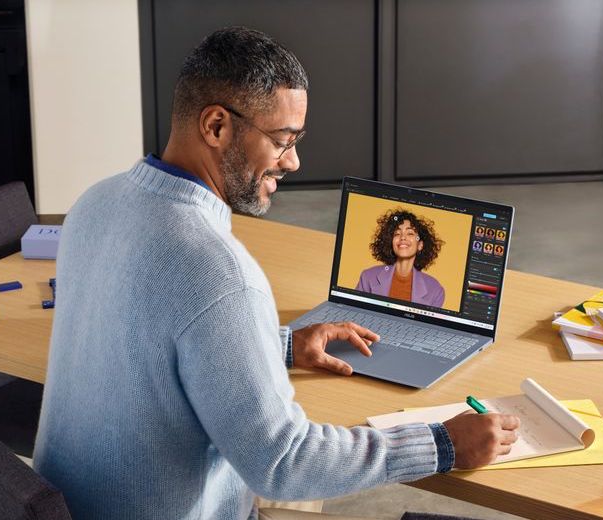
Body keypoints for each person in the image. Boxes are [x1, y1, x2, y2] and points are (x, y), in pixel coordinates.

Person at [33, 27, 519, 520]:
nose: (294, 161)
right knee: (307, 480)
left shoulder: (95, 203)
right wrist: (442, 444)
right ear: (216, 126)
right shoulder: (222, 274)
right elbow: (283, 463)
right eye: (283, 141)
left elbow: (148, 337)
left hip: (78, 504)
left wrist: (278, 345)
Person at [356, 209, 446, 307]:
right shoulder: (368, 277)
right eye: (397, 234)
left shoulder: (435, 290)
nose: (403, 237)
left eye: (410, 233)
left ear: (420, 245)